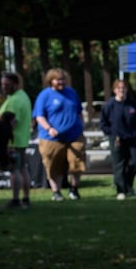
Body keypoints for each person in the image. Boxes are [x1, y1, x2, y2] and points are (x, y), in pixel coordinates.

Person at [32, 67, 85, 201]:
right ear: (51, 81)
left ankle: (74, 189)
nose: (61, 82)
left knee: (77, 162)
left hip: (74, 135)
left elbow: (79, 111)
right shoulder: (44, 95)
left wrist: (81, 125)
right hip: (52, 138)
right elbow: (39, 116)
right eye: (58, 80)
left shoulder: (72, 93)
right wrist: (49, 128)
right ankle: (56, 192)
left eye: (63, 79)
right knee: (53, 165)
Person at [100, 79, 136, 201]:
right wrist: (111, 133)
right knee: (119, 165)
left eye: (124, 87)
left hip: (132, 138)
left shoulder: (133, 104)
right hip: (116, 139)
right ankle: (121, 190)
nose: (121, 90)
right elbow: (103, 123)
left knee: (135, 162)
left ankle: (128, 183)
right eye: (119, 88)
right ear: (114, 90)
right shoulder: (109, 105)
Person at [0, 71, 33, 209]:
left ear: (16, 84)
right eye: (2, 84)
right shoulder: (23, 96)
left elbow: (11, 122)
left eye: (7, 85)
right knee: (22, 169)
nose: (4, 87)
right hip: (21, 139)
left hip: (13, 141)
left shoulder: (15, 101)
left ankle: (16, 199)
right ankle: (26, 198)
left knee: (14, 170)